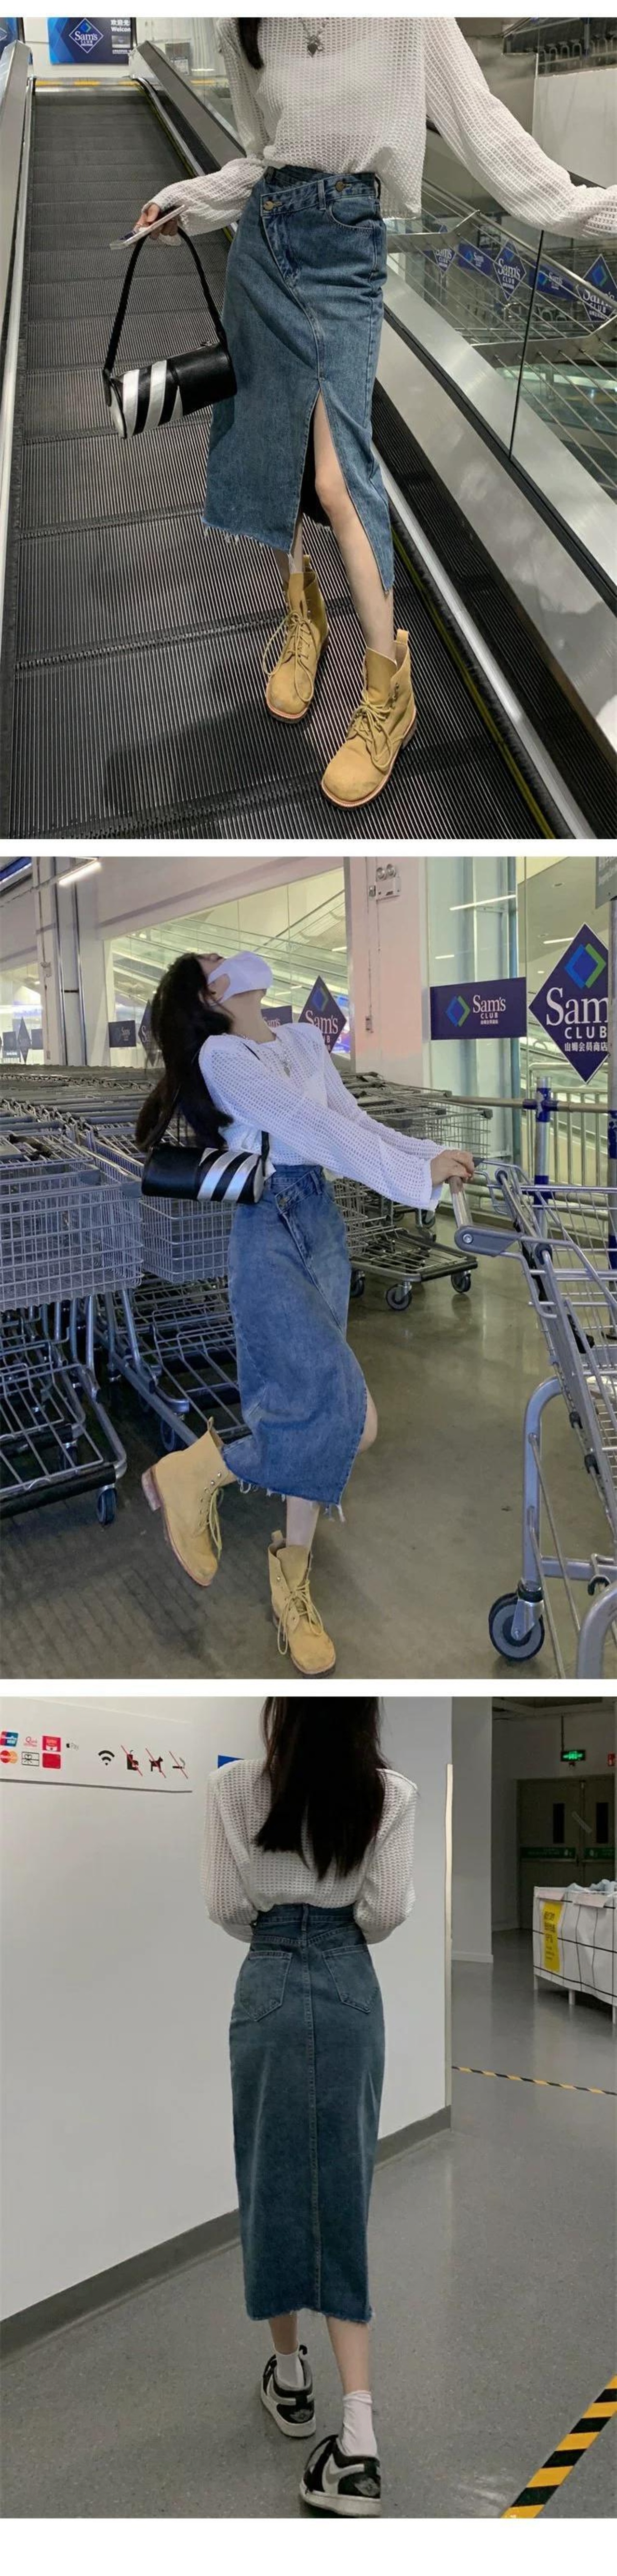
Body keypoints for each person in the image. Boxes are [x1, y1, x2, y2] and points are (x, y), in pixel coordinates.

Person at [134, 16, 617, 812]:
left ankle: (389, 693)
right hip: (263, 247)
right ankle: (302, 617)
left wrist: (592, 212)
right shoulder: (245, 23)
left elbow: (488, 131)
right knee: (269, 448)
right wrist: (187, 201)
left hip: (344, 249)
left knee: (339, 479)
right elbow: (261, 160)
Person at [135, 946, 473, 1674]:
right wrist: (414, 1177)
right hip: (269, 1230)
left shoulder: (301, 1041)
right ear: (210, 995)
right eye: (216, 961)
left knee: (316, 1412)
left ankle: (291, 1582)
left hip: (320, 1222)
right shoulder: (225, 1058)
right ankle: (201, 1471)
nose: (235, 957)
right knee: (353, 1419)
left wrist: (428, 1153)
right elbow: (315, 1132)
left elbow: (352, 1121)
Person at [202, 1695, 417, 2515]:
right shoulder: (390, 1794)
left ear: (279, 1713)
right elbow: (385, 1912)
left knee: (271, 2181)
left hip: (267, 1982)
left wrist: (281, 1931)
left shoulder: (234, 1790)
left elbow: (226, 1906)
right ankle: (357, 2432)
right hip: (349, 1980)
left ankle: (292, 2379)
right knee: (342, 2189)